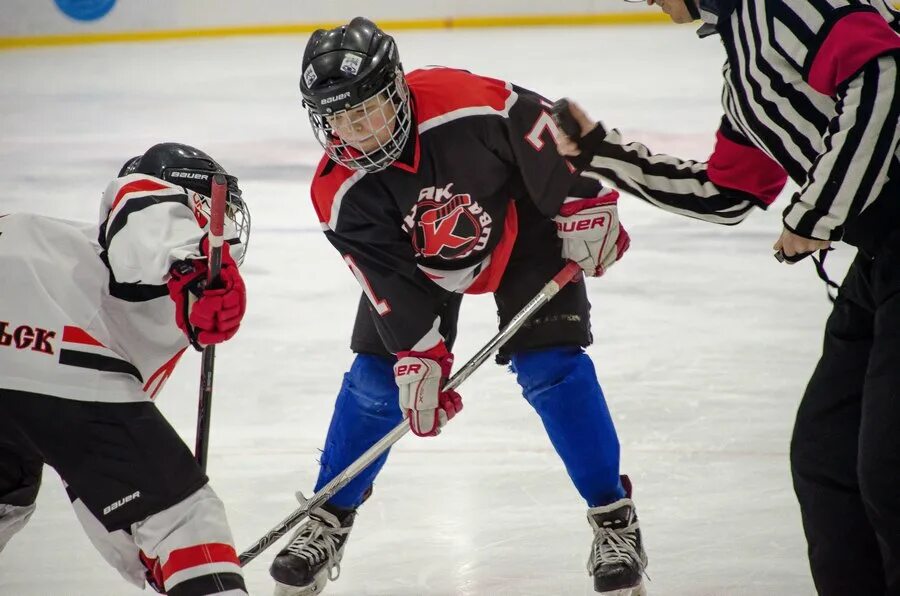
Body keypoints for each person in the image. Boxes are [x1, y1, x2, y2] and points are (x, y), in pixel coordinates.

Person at [269, 16, 644, 596]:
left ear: (396, 89)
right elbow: (385, 280)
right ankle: (328, 515)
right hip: (421, 266)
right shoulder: (338, 190)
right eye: (337, 119)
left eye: (365, 111)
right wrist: (418, 355)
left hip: (524, 232)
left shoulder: (466, 104)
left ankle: (614, 519)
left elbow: (545, 124)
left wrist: (585, 198)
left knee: (552, 367)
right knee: (378, 384)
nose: (355, 133)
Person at [553, 0, 900, 593]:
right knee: (826, 457)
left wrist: (818, 213)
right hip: (881, 261)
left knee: (890, 468)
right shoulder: (746, 62)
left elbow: (885, 79)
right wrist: (599, 153)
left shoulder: (789, 6)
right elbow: (726, 192)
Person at [0, 142, 252, 595]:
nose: (226, 229)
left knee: (7, 498)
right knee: (185, 521)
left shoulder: (76, 267)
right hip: (33, 341)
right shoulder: (145, 231)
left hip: (24, 365)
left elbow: (94, 470)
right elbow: (141, 201)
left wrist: (149, 561)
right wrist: (191, 264)